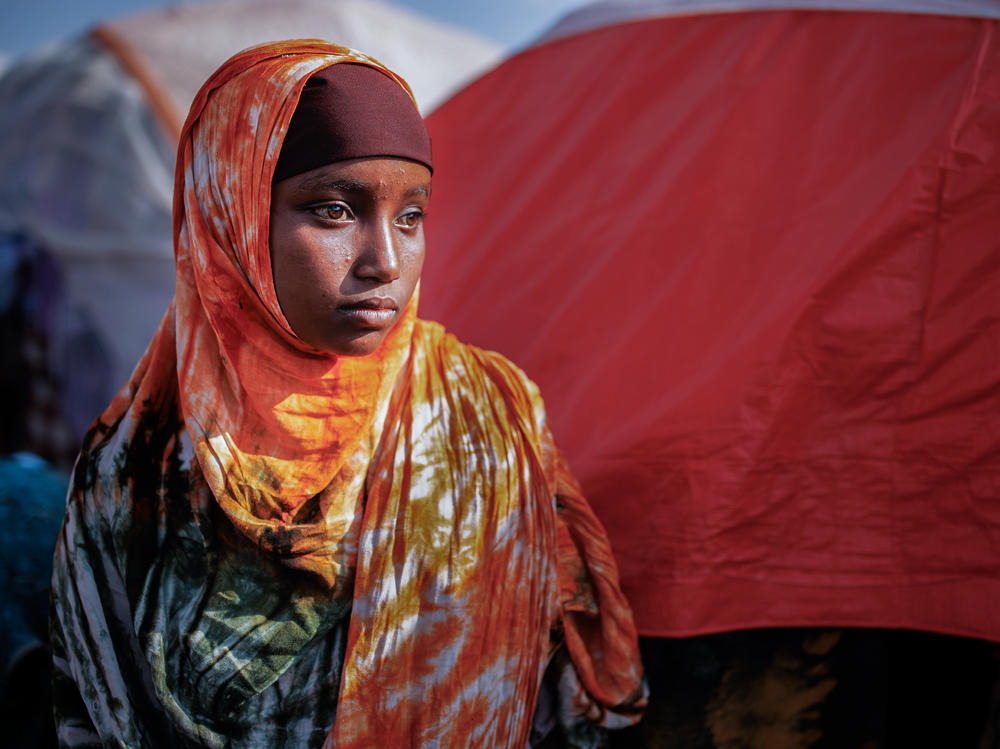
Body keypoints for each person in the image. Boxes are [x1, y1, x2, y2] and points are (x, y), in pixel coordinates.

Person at [49, 39, 646, 748]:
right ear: (231, 214)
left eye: (411, 215)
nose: (385, 261)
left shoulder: (489, 412)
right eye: (334, 210)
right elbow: (89, 713)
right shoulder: (134, 471)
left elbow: (576, 693)